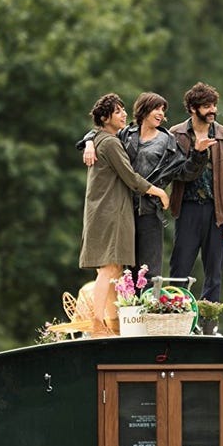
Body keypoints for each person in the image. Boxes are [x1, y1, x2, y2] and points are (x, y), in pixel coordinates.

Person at [80, 92, 212, 275]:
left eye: (162, 109)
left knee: (148, 271)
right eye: (156, 108)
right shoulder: (126, 133)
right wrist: (88, 142)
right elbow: (103, 133)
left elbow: (184, 172)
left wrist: (198, 154)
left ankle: (147, 304)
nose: (160, 113)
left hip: (148, 210)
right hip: (122, 208)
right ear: (143, 111)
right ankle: (123, 304)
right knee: (120, 270)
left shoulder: (168, 142)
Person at [80, 93, 170, 336]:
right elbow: (131, 177)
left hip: (107, 211)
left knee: (115, 271)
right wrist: (159, 192)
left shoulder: (101, 139)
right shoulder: (109, 142)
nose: (124, 115)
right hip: (110, 212)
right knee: (109, 270)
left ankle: (112, 324)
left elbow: (92, 136)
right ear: (105, 117)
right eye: (118, 112)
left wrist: (88, 141)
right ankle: (97, 322)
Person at [167, 82, 223, 303]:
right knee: (179, 270)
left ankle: (209, 326)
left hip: (217, 212)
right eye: (206, 106)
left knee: (214, 275)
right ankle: (176, 322)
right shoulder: (176, 134)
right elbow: (174, 173)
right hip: (187, 209)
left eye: (214, 105)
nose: (213, 110)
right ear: (192, 108)